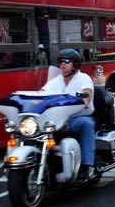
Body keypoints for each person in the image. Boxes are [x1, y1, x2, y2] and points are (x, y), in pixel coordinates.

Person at [40, 48, 96, 180]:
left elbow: (87, 95)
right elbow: (42, 93)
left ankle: (87, 166)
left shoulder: (83, 78)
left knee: (86, 124)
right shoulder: (56, 80)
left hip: (77, 117)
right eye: (60, 62)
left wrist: (84, 98)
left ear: (75, 64)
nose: (62, 65)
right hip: (57, 120)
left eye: (66, 61)